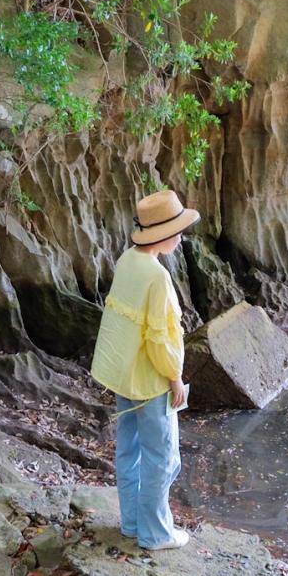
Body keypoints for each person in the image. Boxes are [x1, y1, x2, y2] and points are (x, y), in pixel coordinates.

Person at [89, 188, 198, 551]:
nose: (181, 236)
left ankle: (132, 524)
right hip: (152, 382)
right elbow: (160, 338)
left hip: (125, 377)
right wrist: (175, 378)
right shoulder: (157, 277)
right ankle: (156, 533)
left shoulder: (126, 261)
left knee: (129, 451)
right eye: (178, 230)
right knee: (162, 457)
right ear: (162, 234)